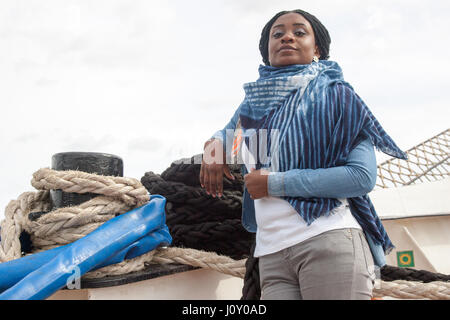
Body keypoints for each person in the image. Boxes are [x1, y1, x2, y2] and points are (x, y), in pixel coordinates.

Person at [199, 9, 407, 300]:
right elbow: (226, 133)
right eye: (277, 33)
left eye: (299, 32)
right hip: (272, 252)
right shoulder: (254, 103)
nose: (287, 36)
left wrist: (274, 183)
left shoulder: (338, 97)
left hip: (328, 242)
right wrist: (212, 148)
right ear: (267, 49)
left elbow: (361, 177)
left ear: (317, 48)